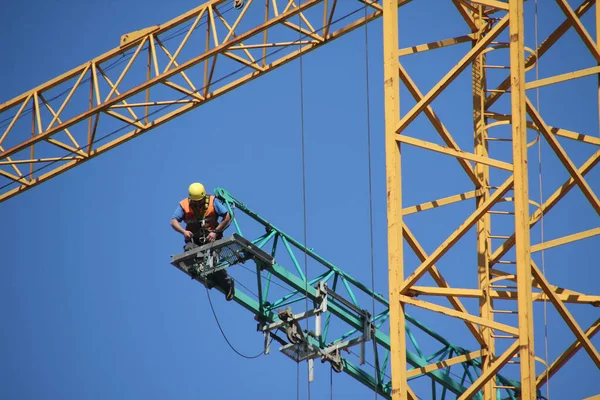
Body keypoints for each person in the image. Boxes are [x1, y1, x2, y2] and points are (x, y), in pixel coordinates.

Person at [170, 182, 235, 301]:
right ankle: (209, 276)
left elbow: (227, 216)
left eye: (199, 200)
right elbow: (173, 221)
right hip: (194, 241)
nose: (197, 203)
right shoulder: (184, 205)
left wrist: (215, 231)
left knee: (211, 263)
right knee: (189, 256)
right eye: (194, 201)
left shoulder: (212, 201)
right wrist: (183, 232)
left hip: (211, 240)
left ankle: (227, 284)